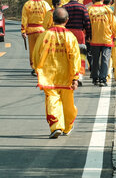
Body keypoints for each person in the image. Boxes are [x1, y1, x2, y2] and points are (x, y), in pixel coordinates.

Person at [32, 8, 81, 139]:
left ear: (52, 19)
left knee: (52, 101)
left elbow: (36, 54)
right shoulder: (70, 37)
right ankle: (67, 127)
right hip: (67, 76)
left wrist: (38, 70)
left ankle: (56, 126)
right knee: (68, 104)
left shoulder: (44, 35)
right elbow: (75, 58)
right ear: (67, 20)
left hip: (49, 76)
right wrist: (76, 77)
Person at [87, 0, 116, 87]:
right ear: (102, 0)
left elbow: (87, 25)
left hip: (94, 39)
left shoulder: (89, 10)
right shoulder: (108, 10)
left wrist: (87, 36)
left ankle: (95, 78)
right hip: (106, 38)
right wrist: (115, 35)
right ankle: (103, 79)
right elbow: (114, 24)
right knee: (105, 59)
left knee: (95, 59)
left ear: (93, 0)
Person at [62, 0, 91, 86]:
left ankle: (68, 75)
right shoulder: (82, 7)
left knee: (67, 54)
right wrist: (89, 35)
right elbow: (87, 22)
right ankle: (80, 75)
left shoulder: (64, 7)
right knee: (81, 55)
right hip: (79, 33)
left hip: (67, 33)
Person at [21, 0, 51, 75]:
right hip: (42, 31)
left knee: (33, 50)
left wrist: (23, 31)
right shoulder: (45, 4)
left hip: (31, 31)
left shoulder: (27, 4)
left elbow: (24, 19)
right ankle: (41, 67)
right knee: (42, 50)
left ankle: (34, 68)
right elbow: (49, 17)